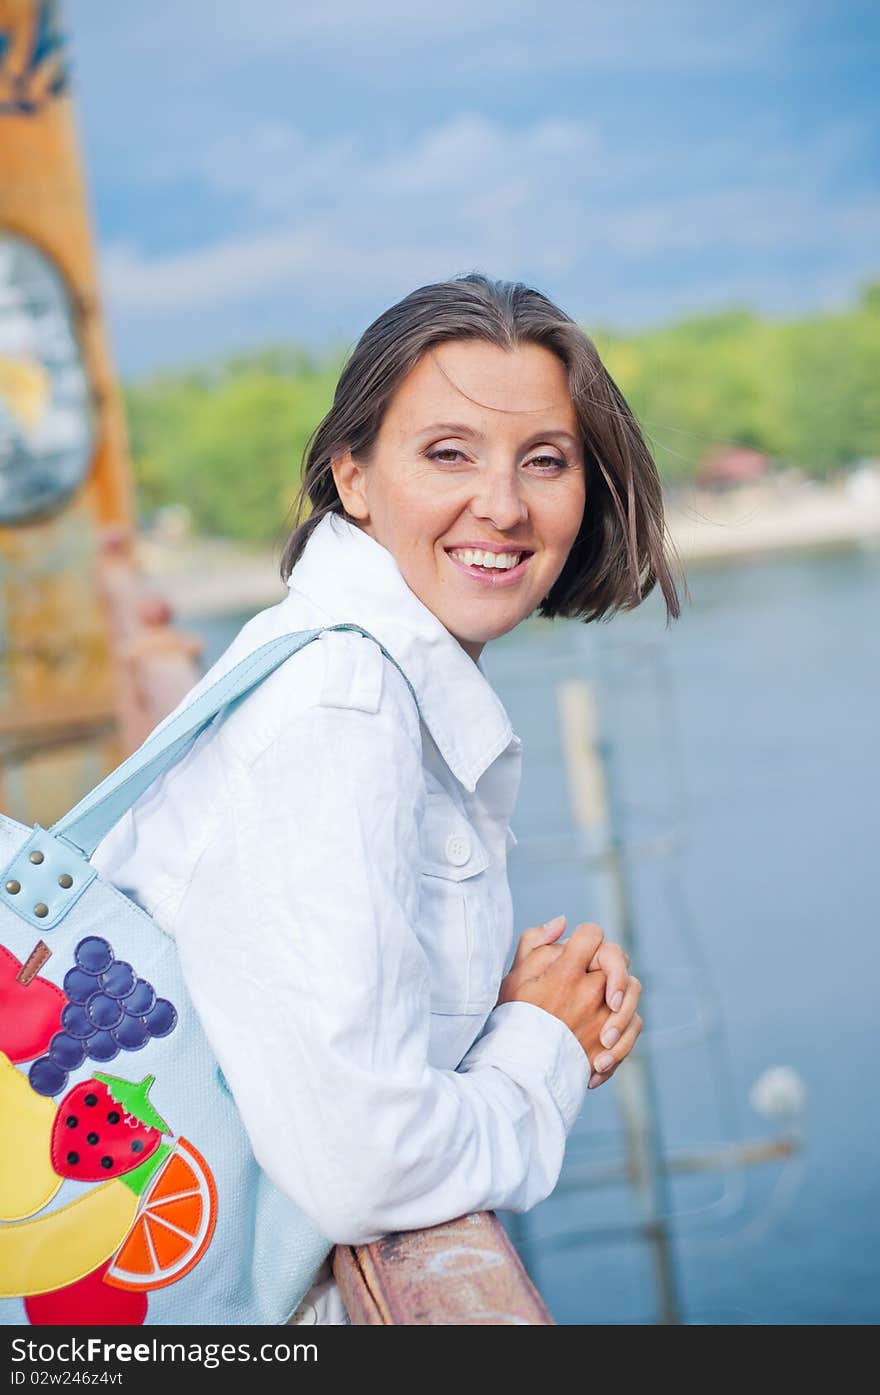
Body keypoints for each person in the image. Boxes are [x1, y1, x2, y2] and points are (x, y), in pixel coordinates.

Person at [91, 273, 684, 1325]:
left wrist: (511, 1015)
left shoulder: (336, 665)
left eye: (543, 460)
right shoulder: (344, 707)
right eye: (448, 453)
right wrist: (538, 1046)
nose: (502, 505)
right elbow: (366, 1168)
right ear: (351, 475)